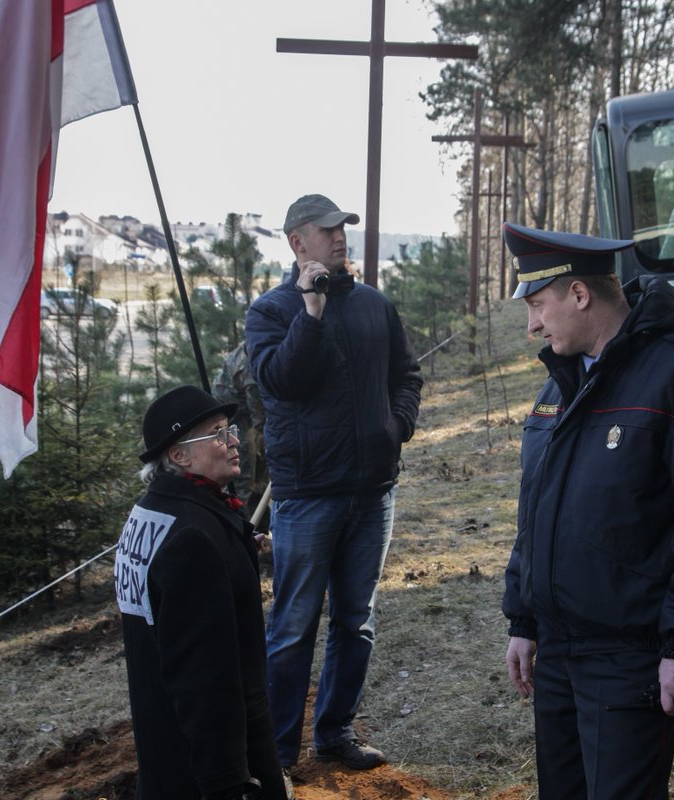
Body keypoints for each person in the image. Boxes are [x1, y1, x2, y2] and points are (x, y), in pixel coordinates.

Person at [501, 221, 674, 798]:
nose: (532, 325)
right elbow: (534, 510)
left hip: (629, 658)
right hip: (558, 652)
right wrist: (523, 618)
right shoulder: (561, 383)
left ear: (579, 293)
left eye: (538, 305)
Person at [245, 194, 423, 771]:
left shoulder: (375, 305)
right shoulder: (270, 312)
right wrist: (311, 311)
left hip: (374, 491)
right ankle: (276, 754)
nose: (340, 236)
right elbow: (282, 381)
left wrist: (396, 426)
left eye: (343, 227)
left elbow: (407, 374)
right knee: (293, 626)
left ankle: (335, 735)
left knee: (356, 620)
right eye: (327, 229)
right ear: (298, 242)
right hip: (306, 498)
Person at [114, 385, 288, 800]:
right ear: (178, 455)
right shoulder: (194, 538)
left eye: (230, 430)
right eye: (217, 434)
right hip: (210, 761)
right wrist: (229, 779)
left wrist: (236, 545)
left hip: (165, 747)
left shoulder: (151, 513)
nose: (234, 443)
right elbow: (205, 676)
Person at [213, 341, 268, 513]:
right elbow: (260, 419)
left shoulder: (255, 343)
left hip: (237, 409)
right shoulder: (252, 368)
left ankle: (260, 510)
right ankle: (242, 517)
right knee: (244, 468)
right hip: (232, 415)